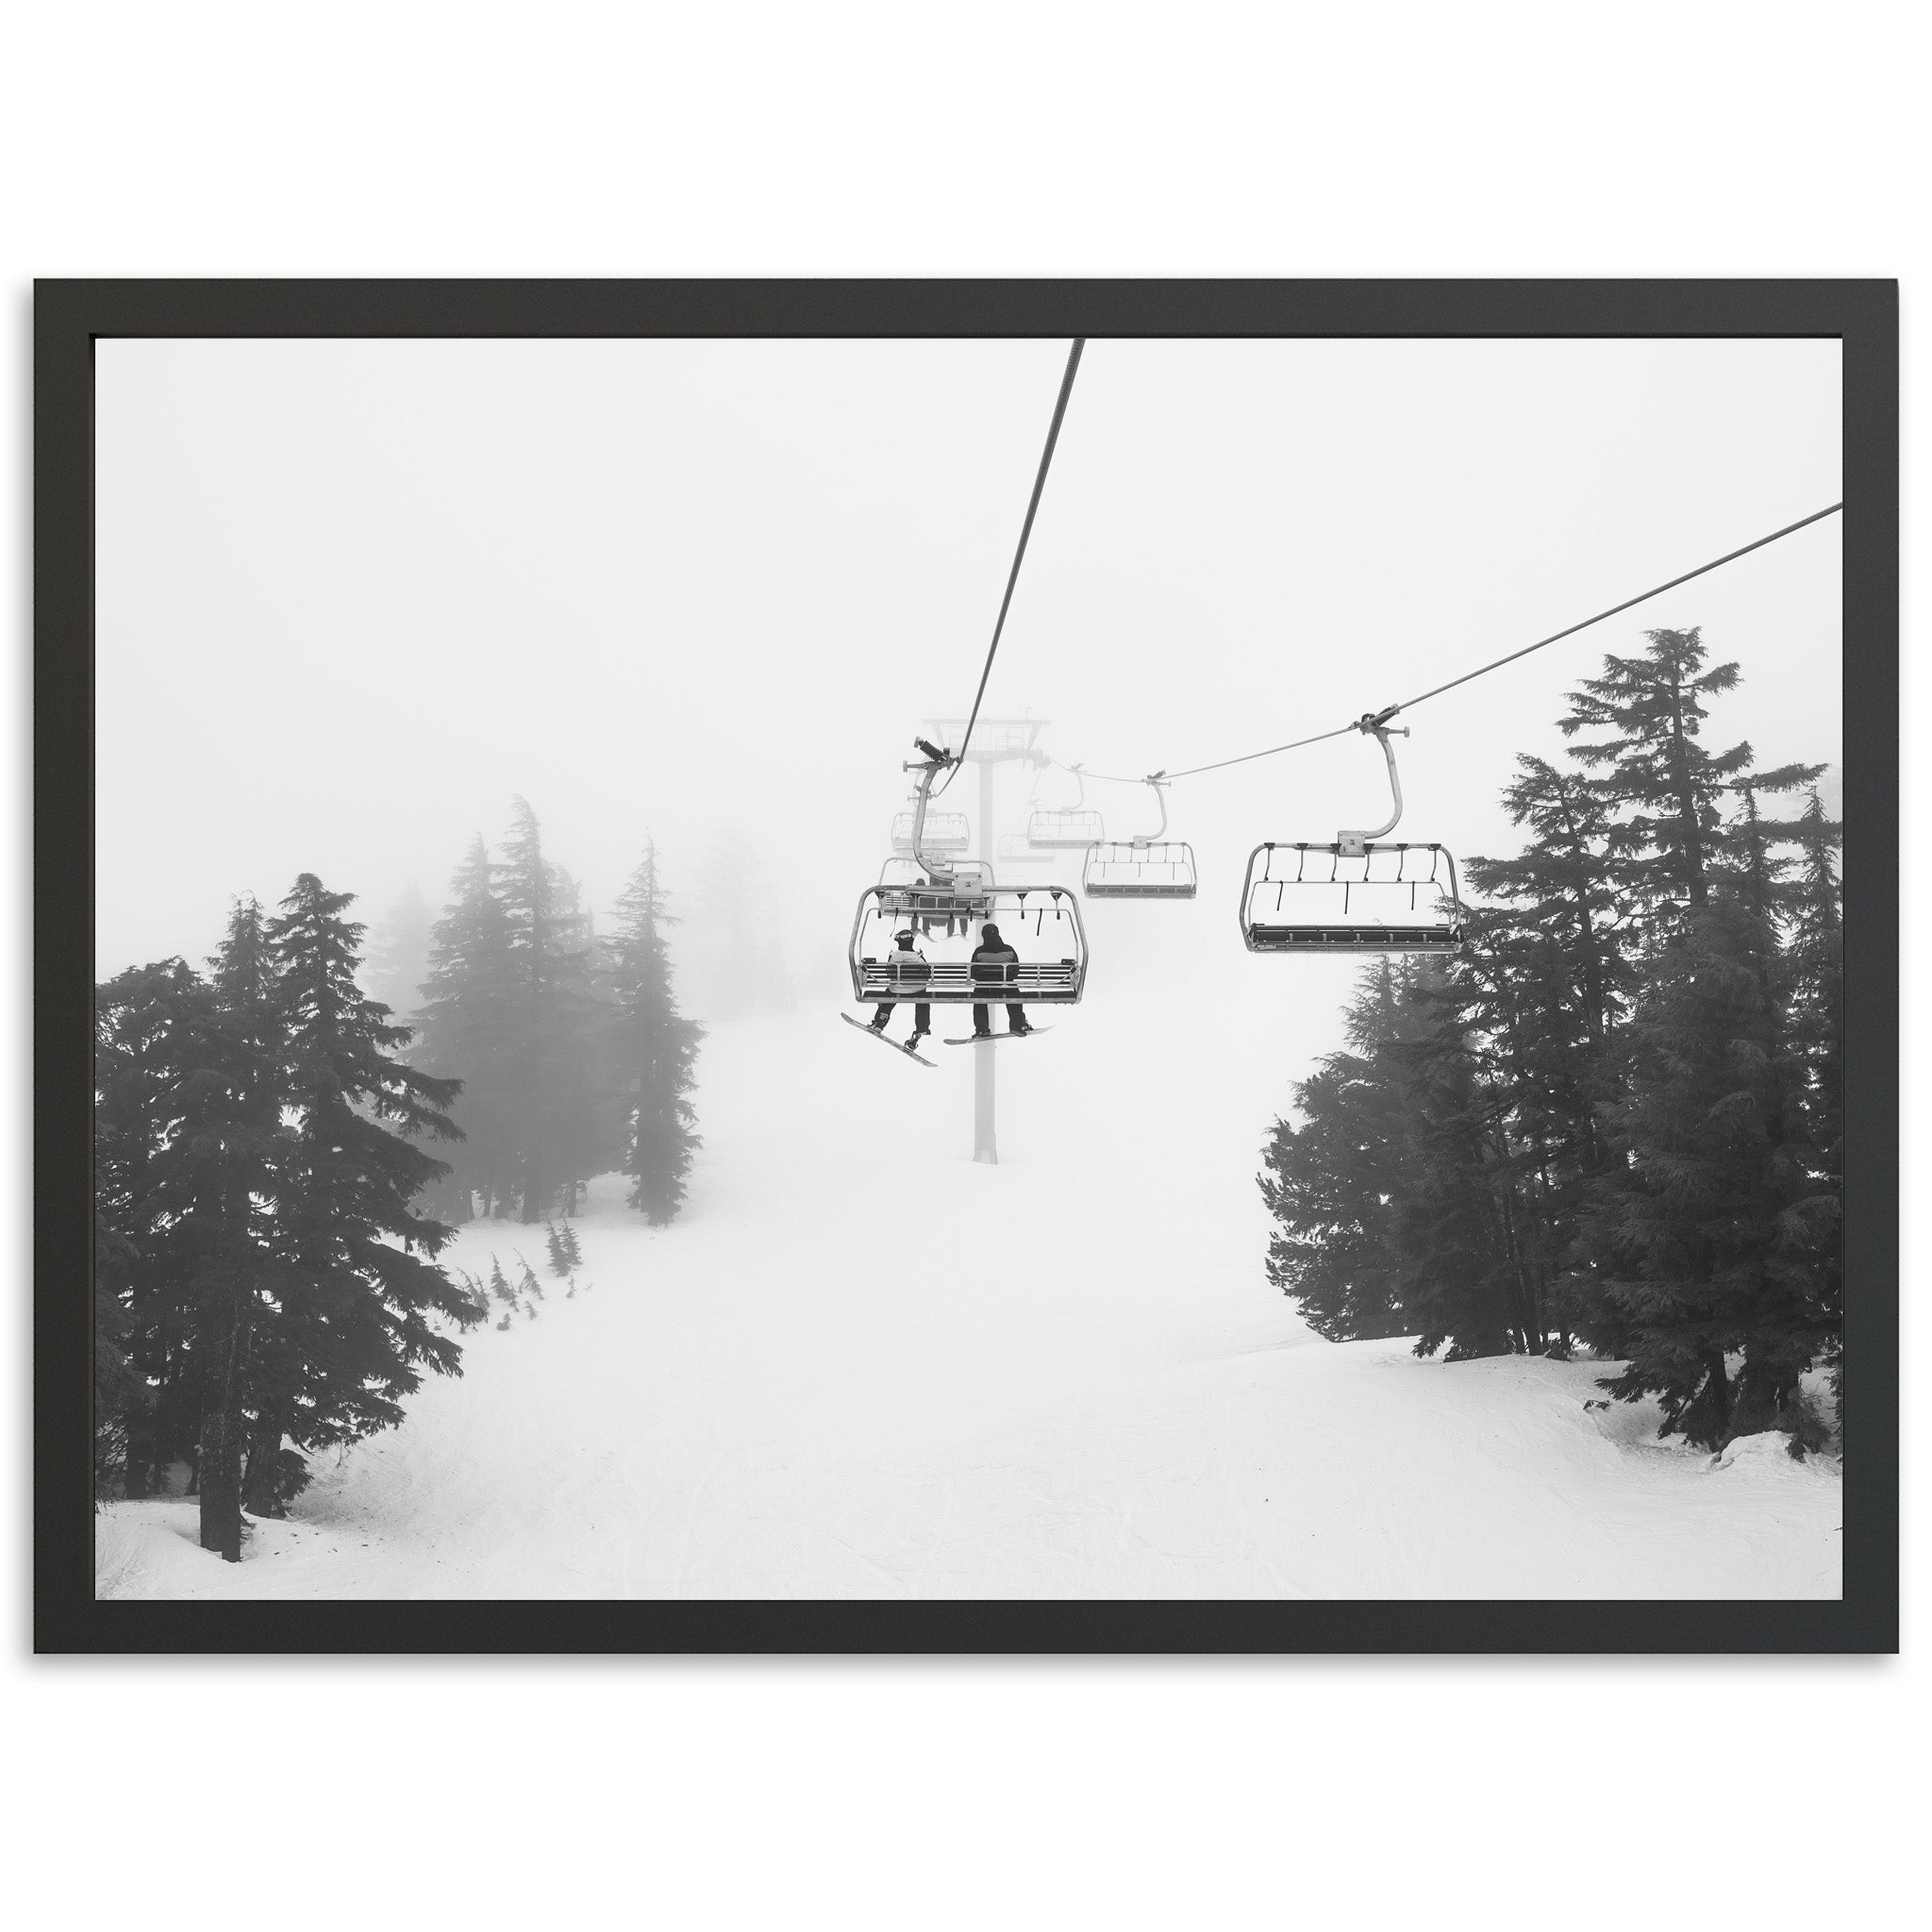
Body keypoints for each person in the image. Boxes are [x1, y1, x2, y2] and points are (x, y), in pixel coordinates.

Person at [970, 921, 1033, 1039]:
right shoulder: (1009, 949)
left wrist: (985, 978)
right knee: (1014, 992)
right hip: (1006, 988)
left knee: (978, 996)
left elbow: (973, 972)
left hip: (985, 989)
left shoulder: (979, 952)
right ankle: (1017, 1025)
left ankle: (982, 1029)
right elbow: (1016, 971)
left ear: (983, 936)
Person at [870, 930, 931, 1049]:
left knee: (889, 993)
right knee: (923, 1001)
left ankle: (880, 1020)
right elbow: (927, 975)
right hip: (917, 991)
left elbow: (889, 973)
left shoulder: (894, 957)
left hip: (896, 989)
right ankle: (921, 1029)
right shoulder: (918, 957)